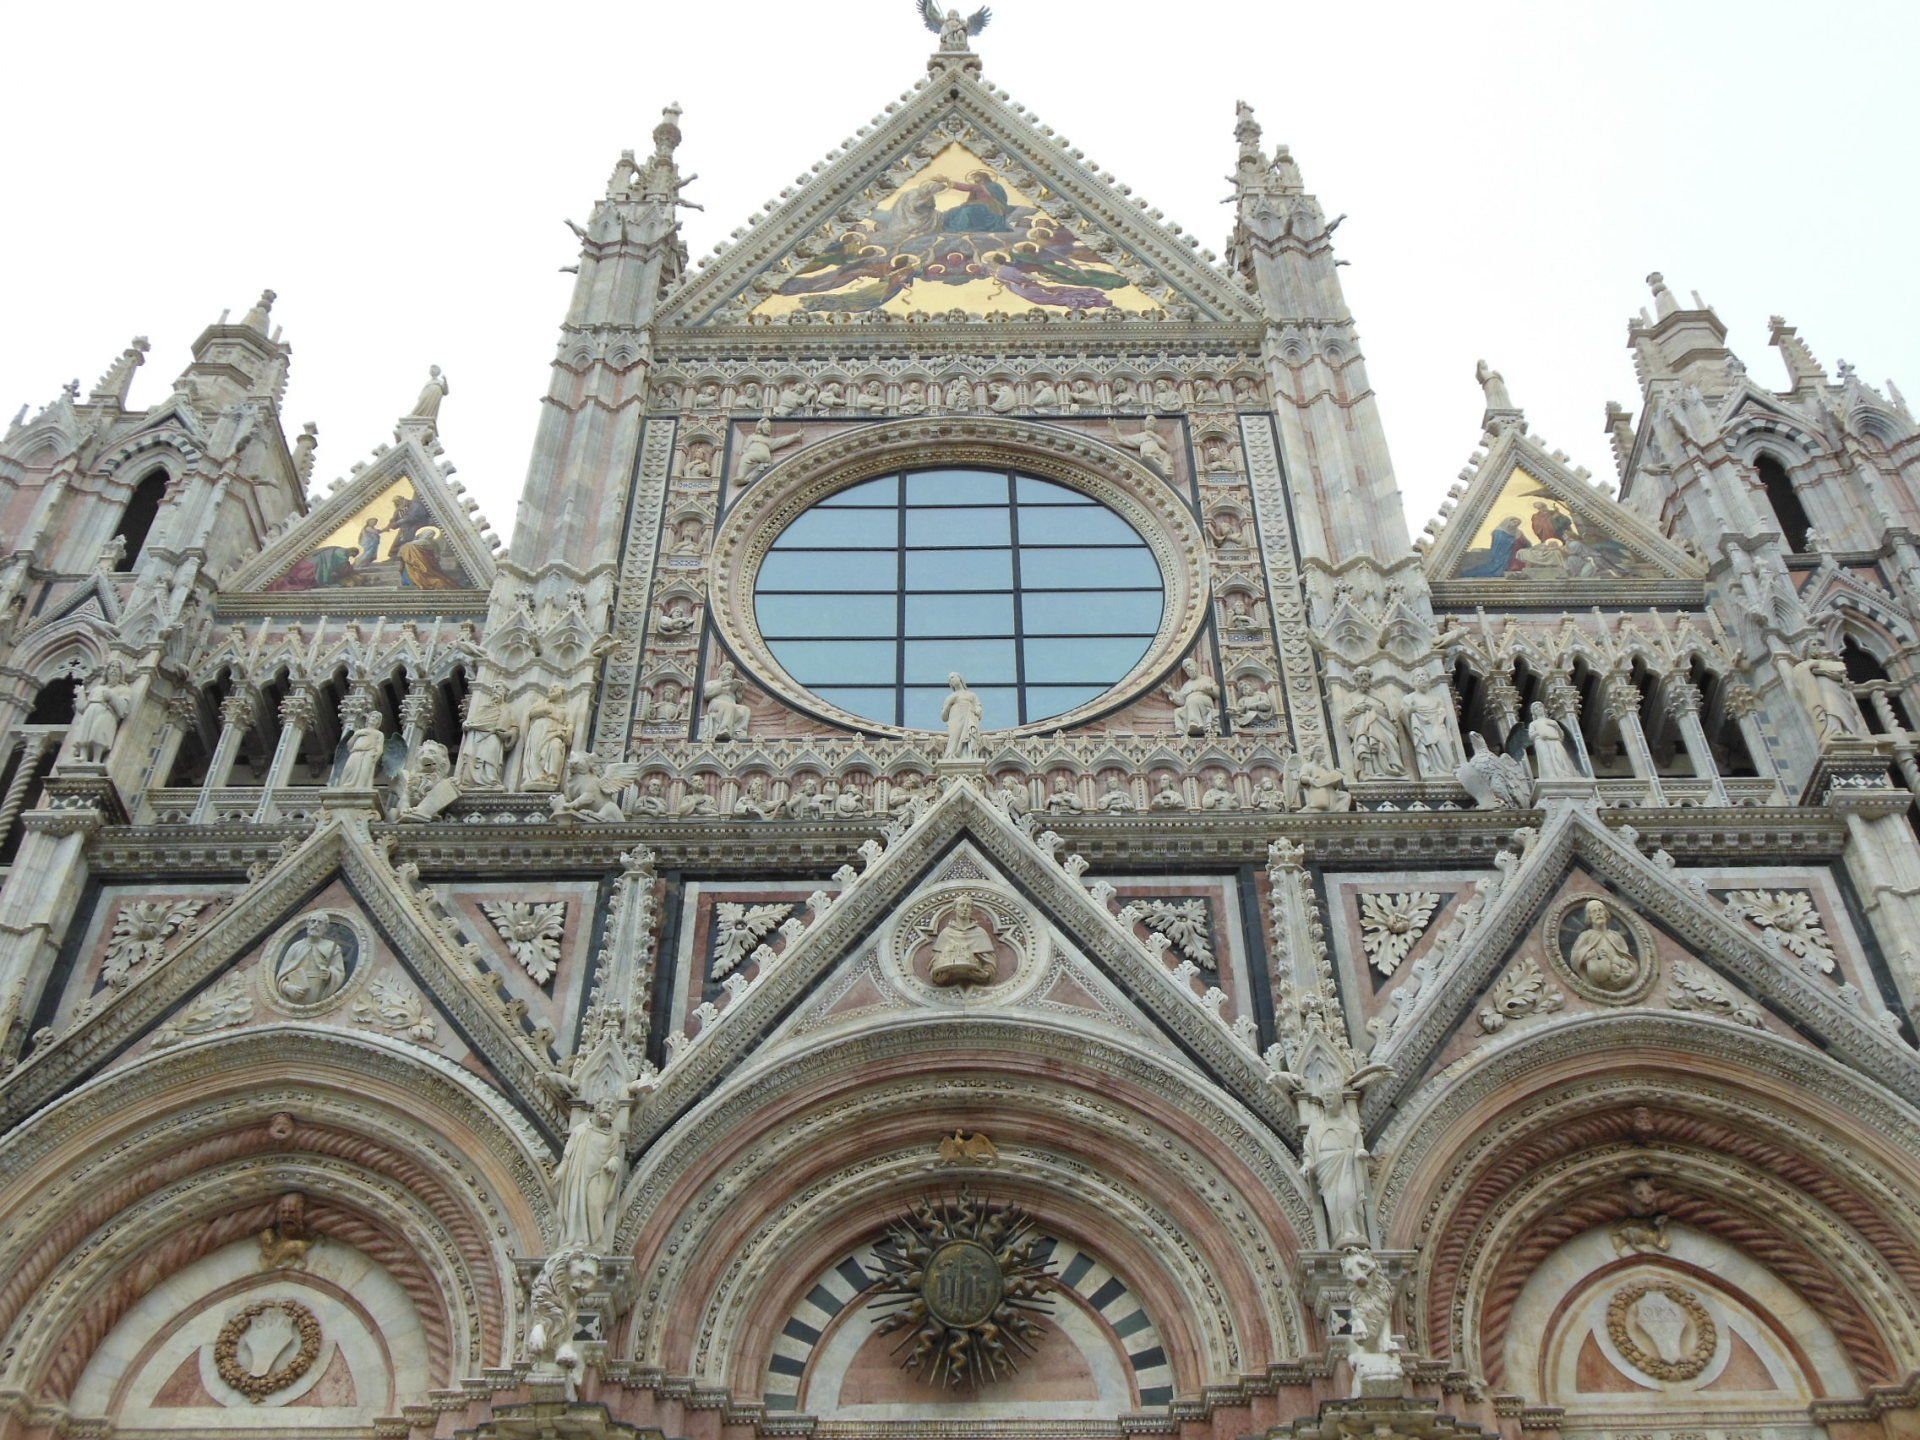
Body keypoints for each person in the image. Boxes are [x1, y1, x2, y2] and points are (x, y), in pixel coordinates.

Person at [276, 917, 347, 1005]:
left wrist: (330, 974)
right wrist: (286, 987)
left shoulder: (332, 947)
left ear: (325, 928)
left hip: (320, 993)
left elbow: (339, 972)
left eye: (320, 922)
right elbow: (283, 973)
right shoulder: (295, 947)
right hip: (296, 992)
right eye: (313, 921)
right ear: (307, 924)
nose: (316, 924)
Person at [941, 672, 983, 759]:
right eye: (949, 680)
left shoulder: (971, 695)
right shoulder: (950, 697)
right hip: (955, 721)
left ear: (960, 678)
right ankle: (951, 755)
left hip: (968, 719)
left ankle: (967, 754)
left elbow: (978, 707)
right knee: (954, 738)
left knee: (968, 736)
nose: (951, 680)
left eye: (952, 677)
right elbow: (944, 717)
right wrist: (949, 704)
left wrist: (977, 710)